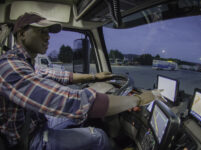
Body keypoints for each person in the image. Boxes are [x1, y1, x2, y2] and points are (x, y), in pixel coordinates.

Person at [0, 13, 160, 150]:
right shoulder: (11, 67)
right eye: (42, 31)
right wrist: (137, 99)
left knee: (80, 117)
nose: (48, 37)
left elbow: (59, 76)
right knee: (99, 137)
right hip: (28, 141)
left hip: (37, 124)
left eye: (48, 32)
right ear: (21, 34)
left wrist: (94, 77)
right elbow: (69, 100)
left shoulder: (26, 64)